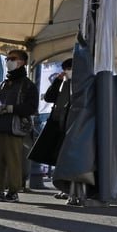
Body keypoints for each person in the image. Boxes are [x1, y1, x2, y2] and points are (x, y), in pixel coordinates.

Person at [0, 49, 39, 202]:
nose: (9, 61)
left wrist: (11, 108)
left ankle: (13, 191)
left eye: (13, 58)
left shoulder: (28, 85)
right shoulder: (3, 84)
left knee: (13, 161)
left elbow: (31, 107)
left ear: (22, 62)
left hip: (13, 128)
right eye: (8, 58)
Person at [29, 58, 72, 199]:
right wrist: (57, 81)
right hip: (59, 124)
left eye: (69, 69)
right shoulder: (64, 84)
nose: (67, 72)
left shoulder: (83, 85)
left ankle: (71, 188)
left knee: (69, 158)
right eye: (65, 69)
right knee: (59, 157)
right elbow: (49, 97)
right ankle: (65, 188)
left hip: (73, 125)